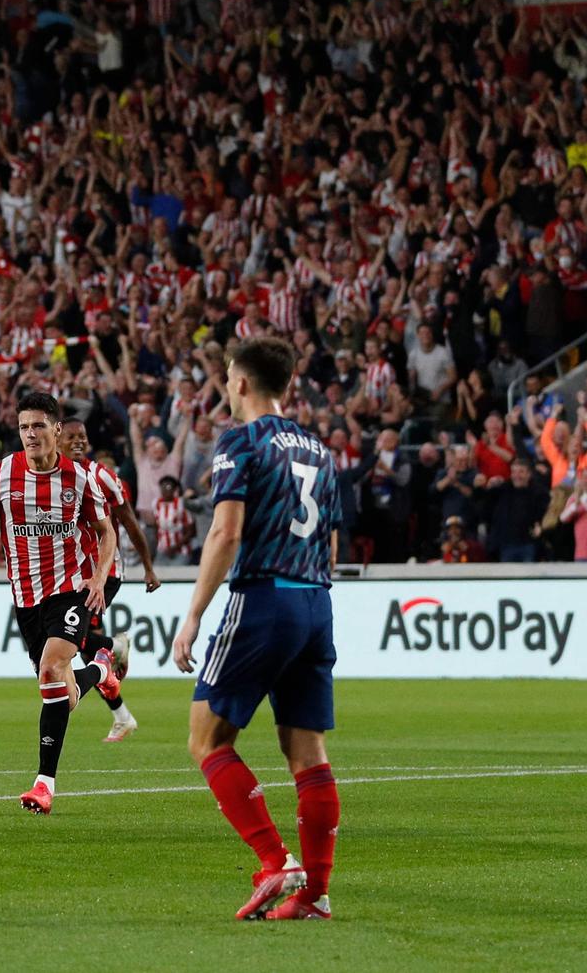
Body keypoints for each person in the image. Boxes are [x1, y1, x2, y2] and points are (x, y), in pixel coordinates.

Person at [172, 337, 343, 921]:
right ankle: (315, 895)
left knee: (207, 738)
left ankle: (275, 861)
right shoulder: (321, 451)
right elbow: (333, 542)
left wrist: (194, 613)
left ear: (239, 383)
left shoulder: (241, 441)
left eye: (226, 377)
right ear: (289, 385)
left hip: (264, 598)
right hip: (316, 599)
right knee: (308, 754)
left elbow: (226, 532)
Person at [0, 392, 120, 815]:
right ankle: (100, 668)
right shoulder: (2, 475)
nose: (31, 434)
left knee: (50, 670)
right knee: (61, 691)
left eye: (39, 425)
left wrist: (98, 578)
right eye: (24, 427)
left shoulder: (80, 478)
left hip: (70, 589)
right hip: (26, 597)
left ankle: (44, 784)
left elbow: (106, 531)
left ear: (57, 430)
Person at [61, 417, 161, 742]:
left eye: (83, 437)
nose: (78, 442)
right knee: (91, 656)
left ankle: (115, 646)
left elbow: (130, 523)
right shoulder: (49, 478)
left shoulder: (103, 476)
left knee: (74, 639)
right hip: (73, 574)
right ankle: (122, 716)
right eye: (72, 437)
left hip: (106, 572)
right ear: (58, 438)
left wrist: (148, 567)